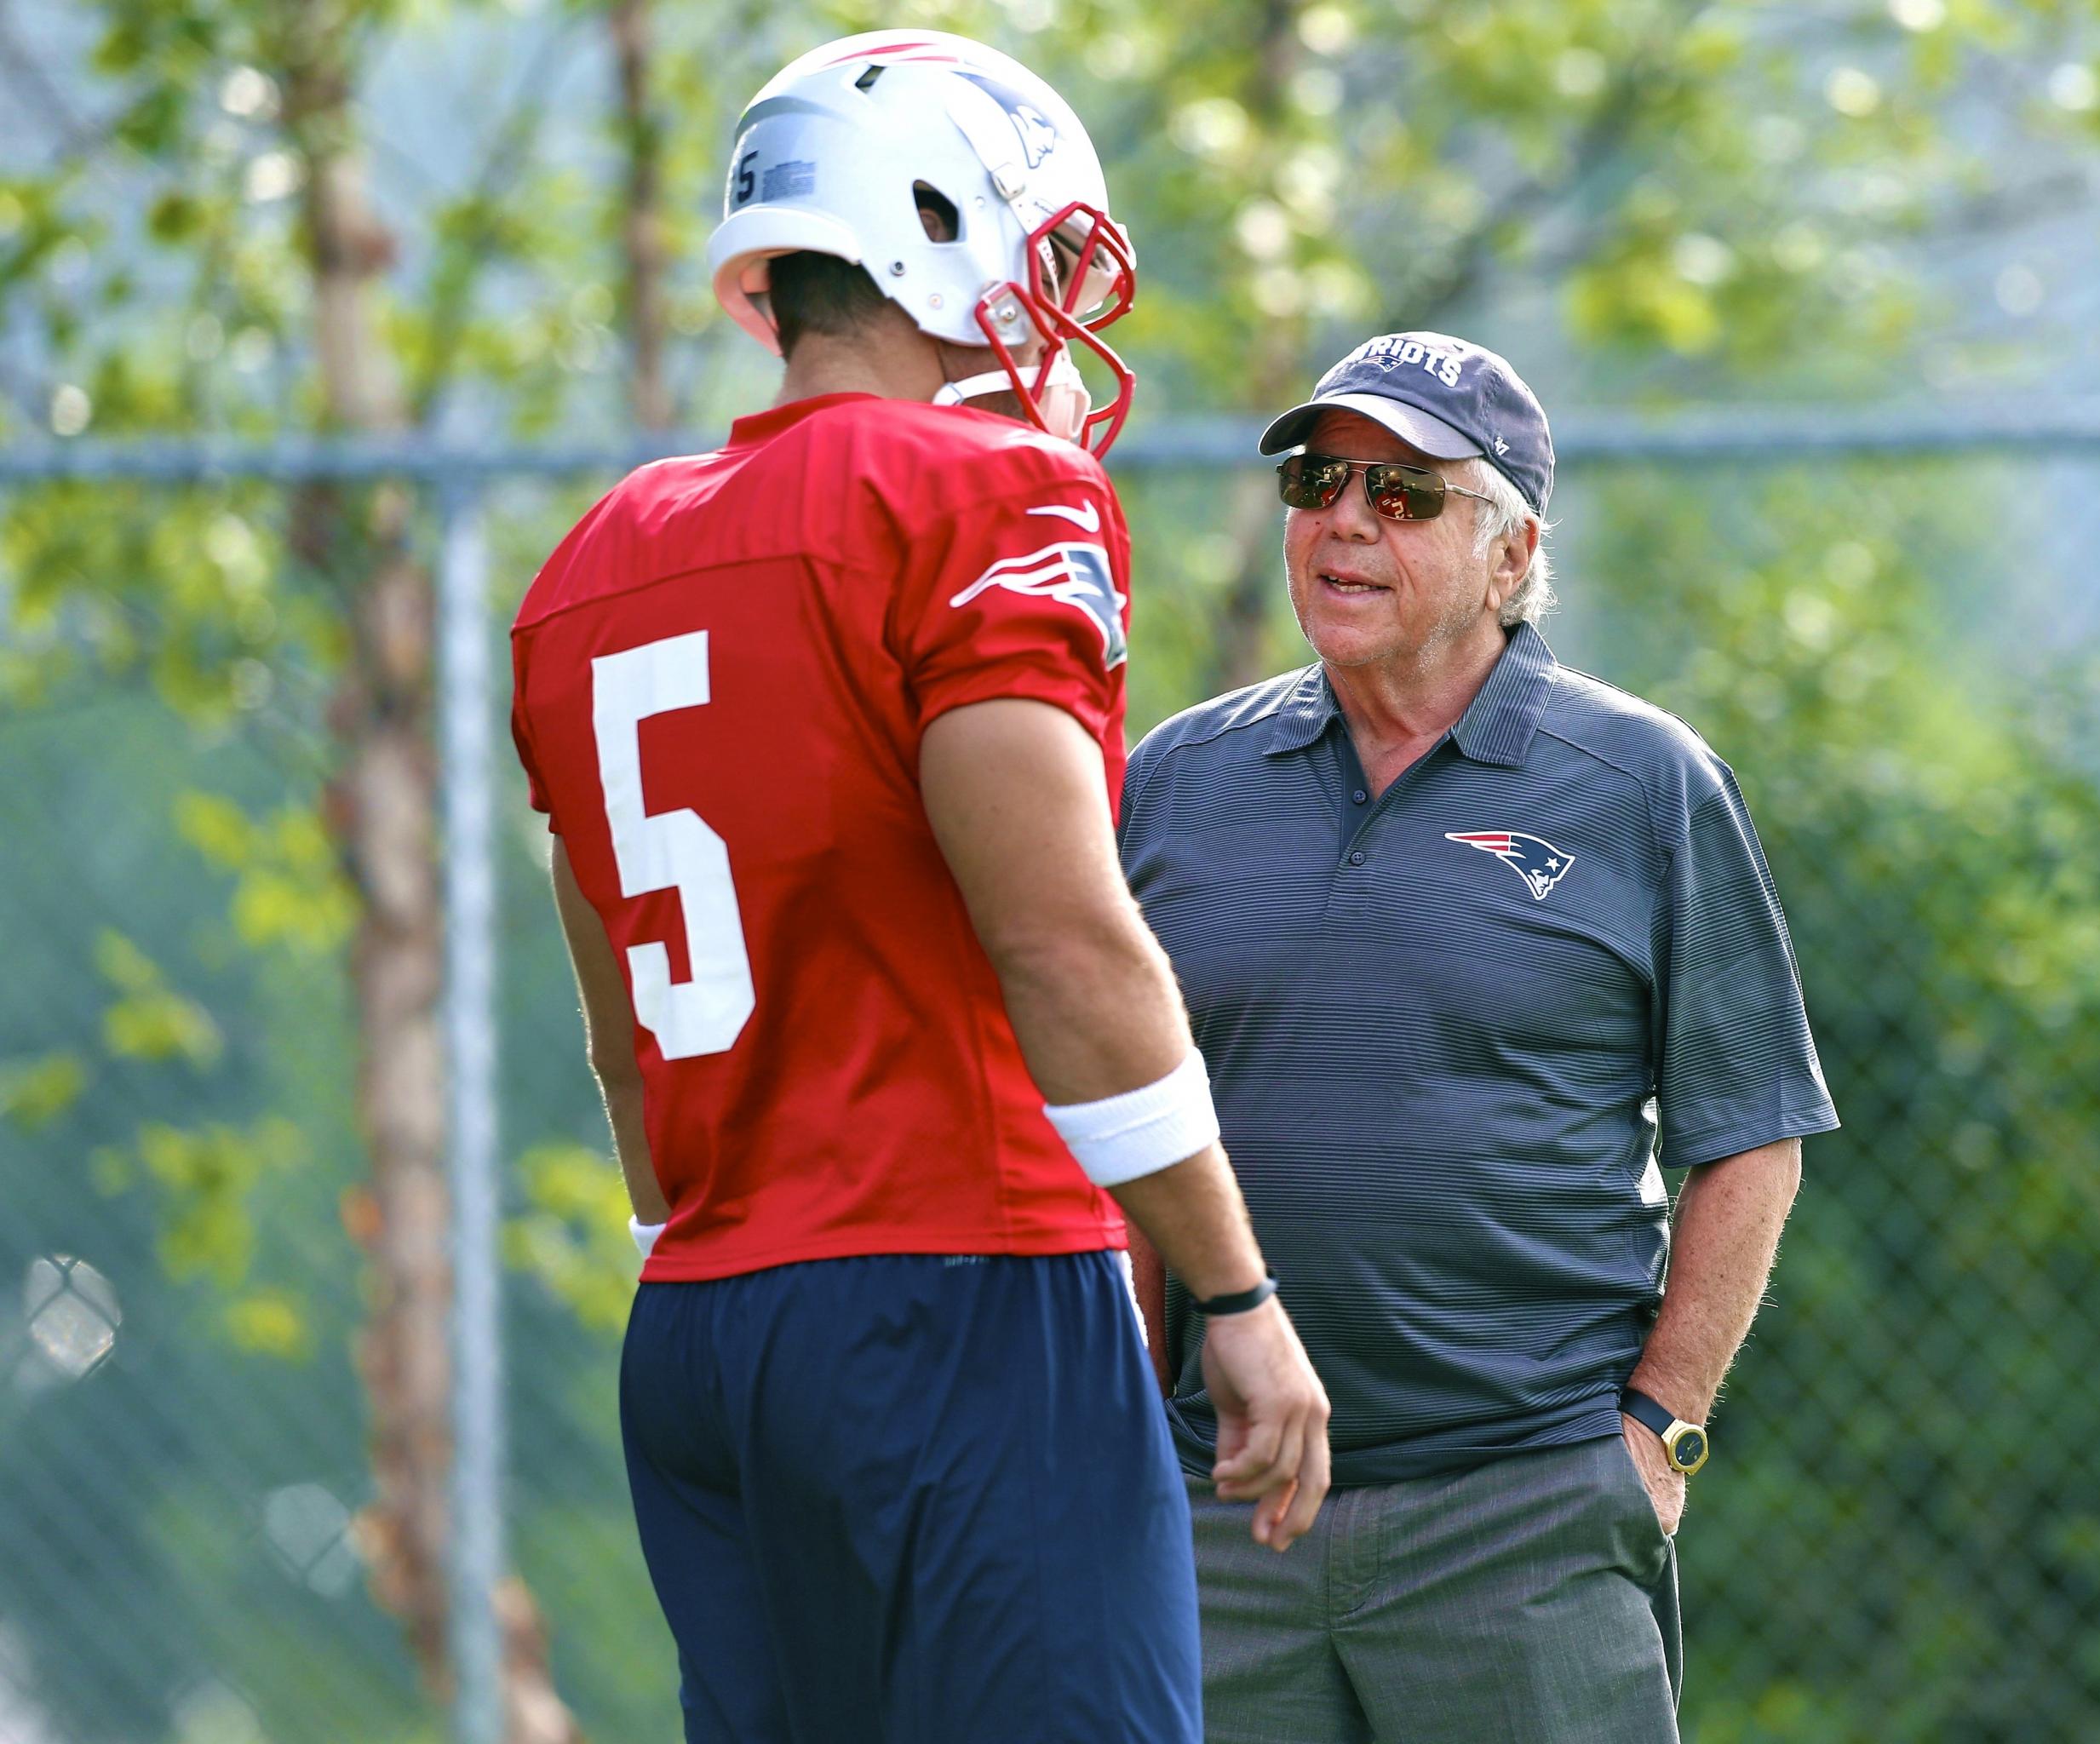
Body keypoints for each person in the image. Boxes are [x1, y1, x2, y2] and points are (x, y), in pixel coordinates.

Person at [507, 33, 1328, 1742]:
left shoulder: (594, 558)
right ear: (932, 228)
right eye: (1034, 262)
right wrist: (1234, 1295)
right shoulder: (976, 491)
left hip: (704, 1325)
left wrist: (718, 1245)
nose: (1047, 320)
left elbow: (624, 1046)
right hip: (960, 1292)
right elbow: (1060, 935)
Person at [1119, 330, 1836, 1743]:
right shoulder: (1176, 781)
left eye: (1405, 496)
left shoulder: (1639, 783)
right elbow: (1119, 1122)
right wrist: (1125, 1436)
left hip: (1522, 1522)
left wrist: (1658, 1436)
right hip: (1221, 1517)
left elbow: (1749, 1136)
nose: (1342, 520)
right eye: (1321, 481)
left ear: (1511, 554)